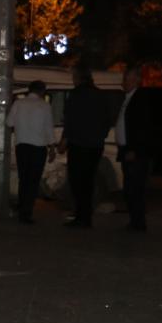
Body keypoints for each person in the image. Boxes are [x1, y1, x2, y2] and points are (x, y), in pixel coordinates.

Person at [57, 65, 113, 228]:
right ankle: (85, 216)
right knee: (88, 180)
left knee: (77, 181)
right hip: (95, 145)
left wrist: (64, 140)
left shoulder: (76, 95)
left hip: (79, 144)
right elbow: (107, 120)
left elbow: (70, 120)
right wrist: (100, 136)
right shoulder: (100, 95)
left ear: (78, 78)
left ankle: (81, 215)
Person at [8, 81, 55, 224]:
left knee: (23, 179)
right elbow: (49, 129)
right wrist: (52, 148)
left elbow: (9, 123)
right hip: (38, 148)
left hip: (22, 146)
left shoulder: (18, 103)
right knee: (33, 181)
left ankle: (22, 207)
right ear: (42, 91)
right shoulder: (44, 106)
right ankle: (27, 212)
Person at [115, 65, 153, 232]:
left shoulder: (140, 99)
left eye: (127, 79)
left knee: (135, 188)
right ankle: (135, 220)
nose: (123, 82)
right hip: (127, 150)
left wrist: (134, 149)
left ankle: (138, 222)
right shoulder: (128, 98)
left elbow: (142, 128)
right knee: (130, 187)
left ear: (136, 80)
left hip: (135, 153)